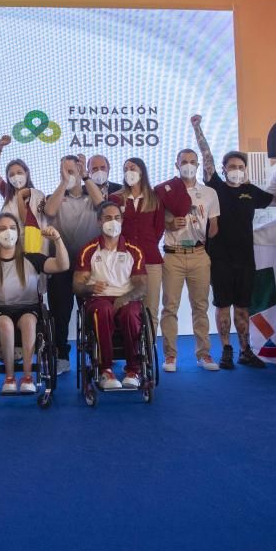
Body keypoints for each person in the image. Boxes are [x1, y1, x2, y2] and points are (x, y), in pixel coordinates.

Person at [193, 116, 274, 369]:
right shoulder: (215, 187)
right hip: (219, 258)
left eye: (240, 166)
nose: (236, 169)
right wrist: (198, 128)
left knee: (243, 307)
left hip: (245, 260)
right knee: (222, 306)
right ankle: (226, 349)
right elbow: (206, 158)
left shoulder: (252, 192)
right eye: (231, 166)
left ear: (245, 169)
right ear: (225, 169)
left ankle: (245, 350)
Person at [0, 213, 69, 392]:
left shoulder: (32, 258)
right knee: (6, 325)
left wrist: (58, 240)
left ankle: (27, 377)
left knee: (29, 322)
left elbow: (62, 266)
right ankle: (9, 378)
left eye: (12, 228)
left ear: (18, 232)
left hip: (28, 308)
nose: (8, 232)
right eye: (2, 229)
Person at [108, 157, 191, 343]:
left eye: (133, 167)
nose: (129, 170)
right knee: (123, 306)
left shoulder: (154, 198)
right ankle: (126, 349)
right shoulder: (115, 198)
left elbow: (158, 229)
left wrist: (146, 245)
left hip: (151, 261)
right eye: (126, 168)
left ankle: (147, 352)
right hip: (122, 262)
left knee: (150, 308)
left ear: (142, 171)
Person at [73, 201, 147, 389]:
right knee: (102, 310)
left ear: (122, 221)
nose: (112, 222)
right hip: (99, 299)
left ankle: (133, 370)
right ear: (99, 222)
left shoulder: (134, 250)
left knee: (130, 313)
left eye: (116, 218)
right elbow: (77, 286)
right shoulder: (88, 250)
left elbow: (141, 286)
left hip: (126, 297)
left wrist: (125, 298)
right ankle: (105, 369)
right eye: (107, 218)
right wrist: (90, 288)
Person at [43, 155, 106, 374]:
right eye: (65, 171)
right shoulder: (55, 197)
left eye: (73, 171)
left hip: (89, 268)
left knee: (92, 312)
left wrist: (86, 176)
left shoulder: (94, 195)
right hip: (61, 267)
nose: (69, 175)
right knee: (60, 314)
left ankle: (96, 353)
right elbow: (49, 212)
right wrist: (64, 182)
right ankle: (61, 355)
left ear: (80, 171)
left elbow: (103, 205)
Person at [160, 145, 221, 372]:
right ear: (177, 165)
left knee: (200, 306)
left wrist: (201, 231)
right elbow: (158, 221)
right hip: (173, 254)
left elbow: (214, 227)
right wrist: (169, 223)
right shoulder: (166, 190)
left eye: (192, 161)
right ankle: (169, 356)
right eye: (183, 161)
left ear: (197, 165)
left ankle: (204, 354)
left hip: (198, 254)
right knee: (170, 307)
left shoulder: (209, 193)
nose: (188, 165)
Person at [0, 135, 49, 254]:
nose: (16, 177)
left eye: (19, 172)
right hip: (10, 249)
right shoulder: (8, 193)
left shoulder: (36, 195)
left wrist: (21, 196)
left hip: (32, 248)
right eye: (11, 175)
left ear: (26, 173)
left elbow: (26, 220)